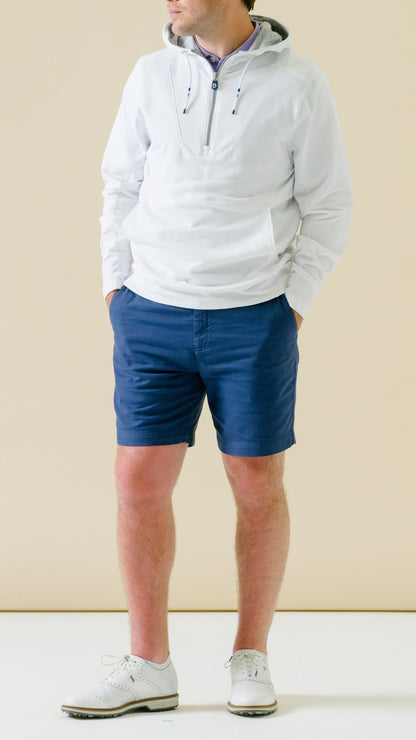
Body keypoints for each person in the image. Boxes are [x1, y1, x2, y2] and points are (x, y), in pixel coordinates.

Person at [60, 0, 353, 720]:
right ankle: (148, 666)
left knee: (256, 481)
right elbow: (120, 184)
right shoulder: (150, 74)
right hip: (151, 310)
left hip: (254, 316)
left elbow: (330, 204)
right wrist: (115, 287)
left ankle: (251, 654)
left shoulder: (300, 84)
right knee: (137, 477)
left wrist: (291, 305)